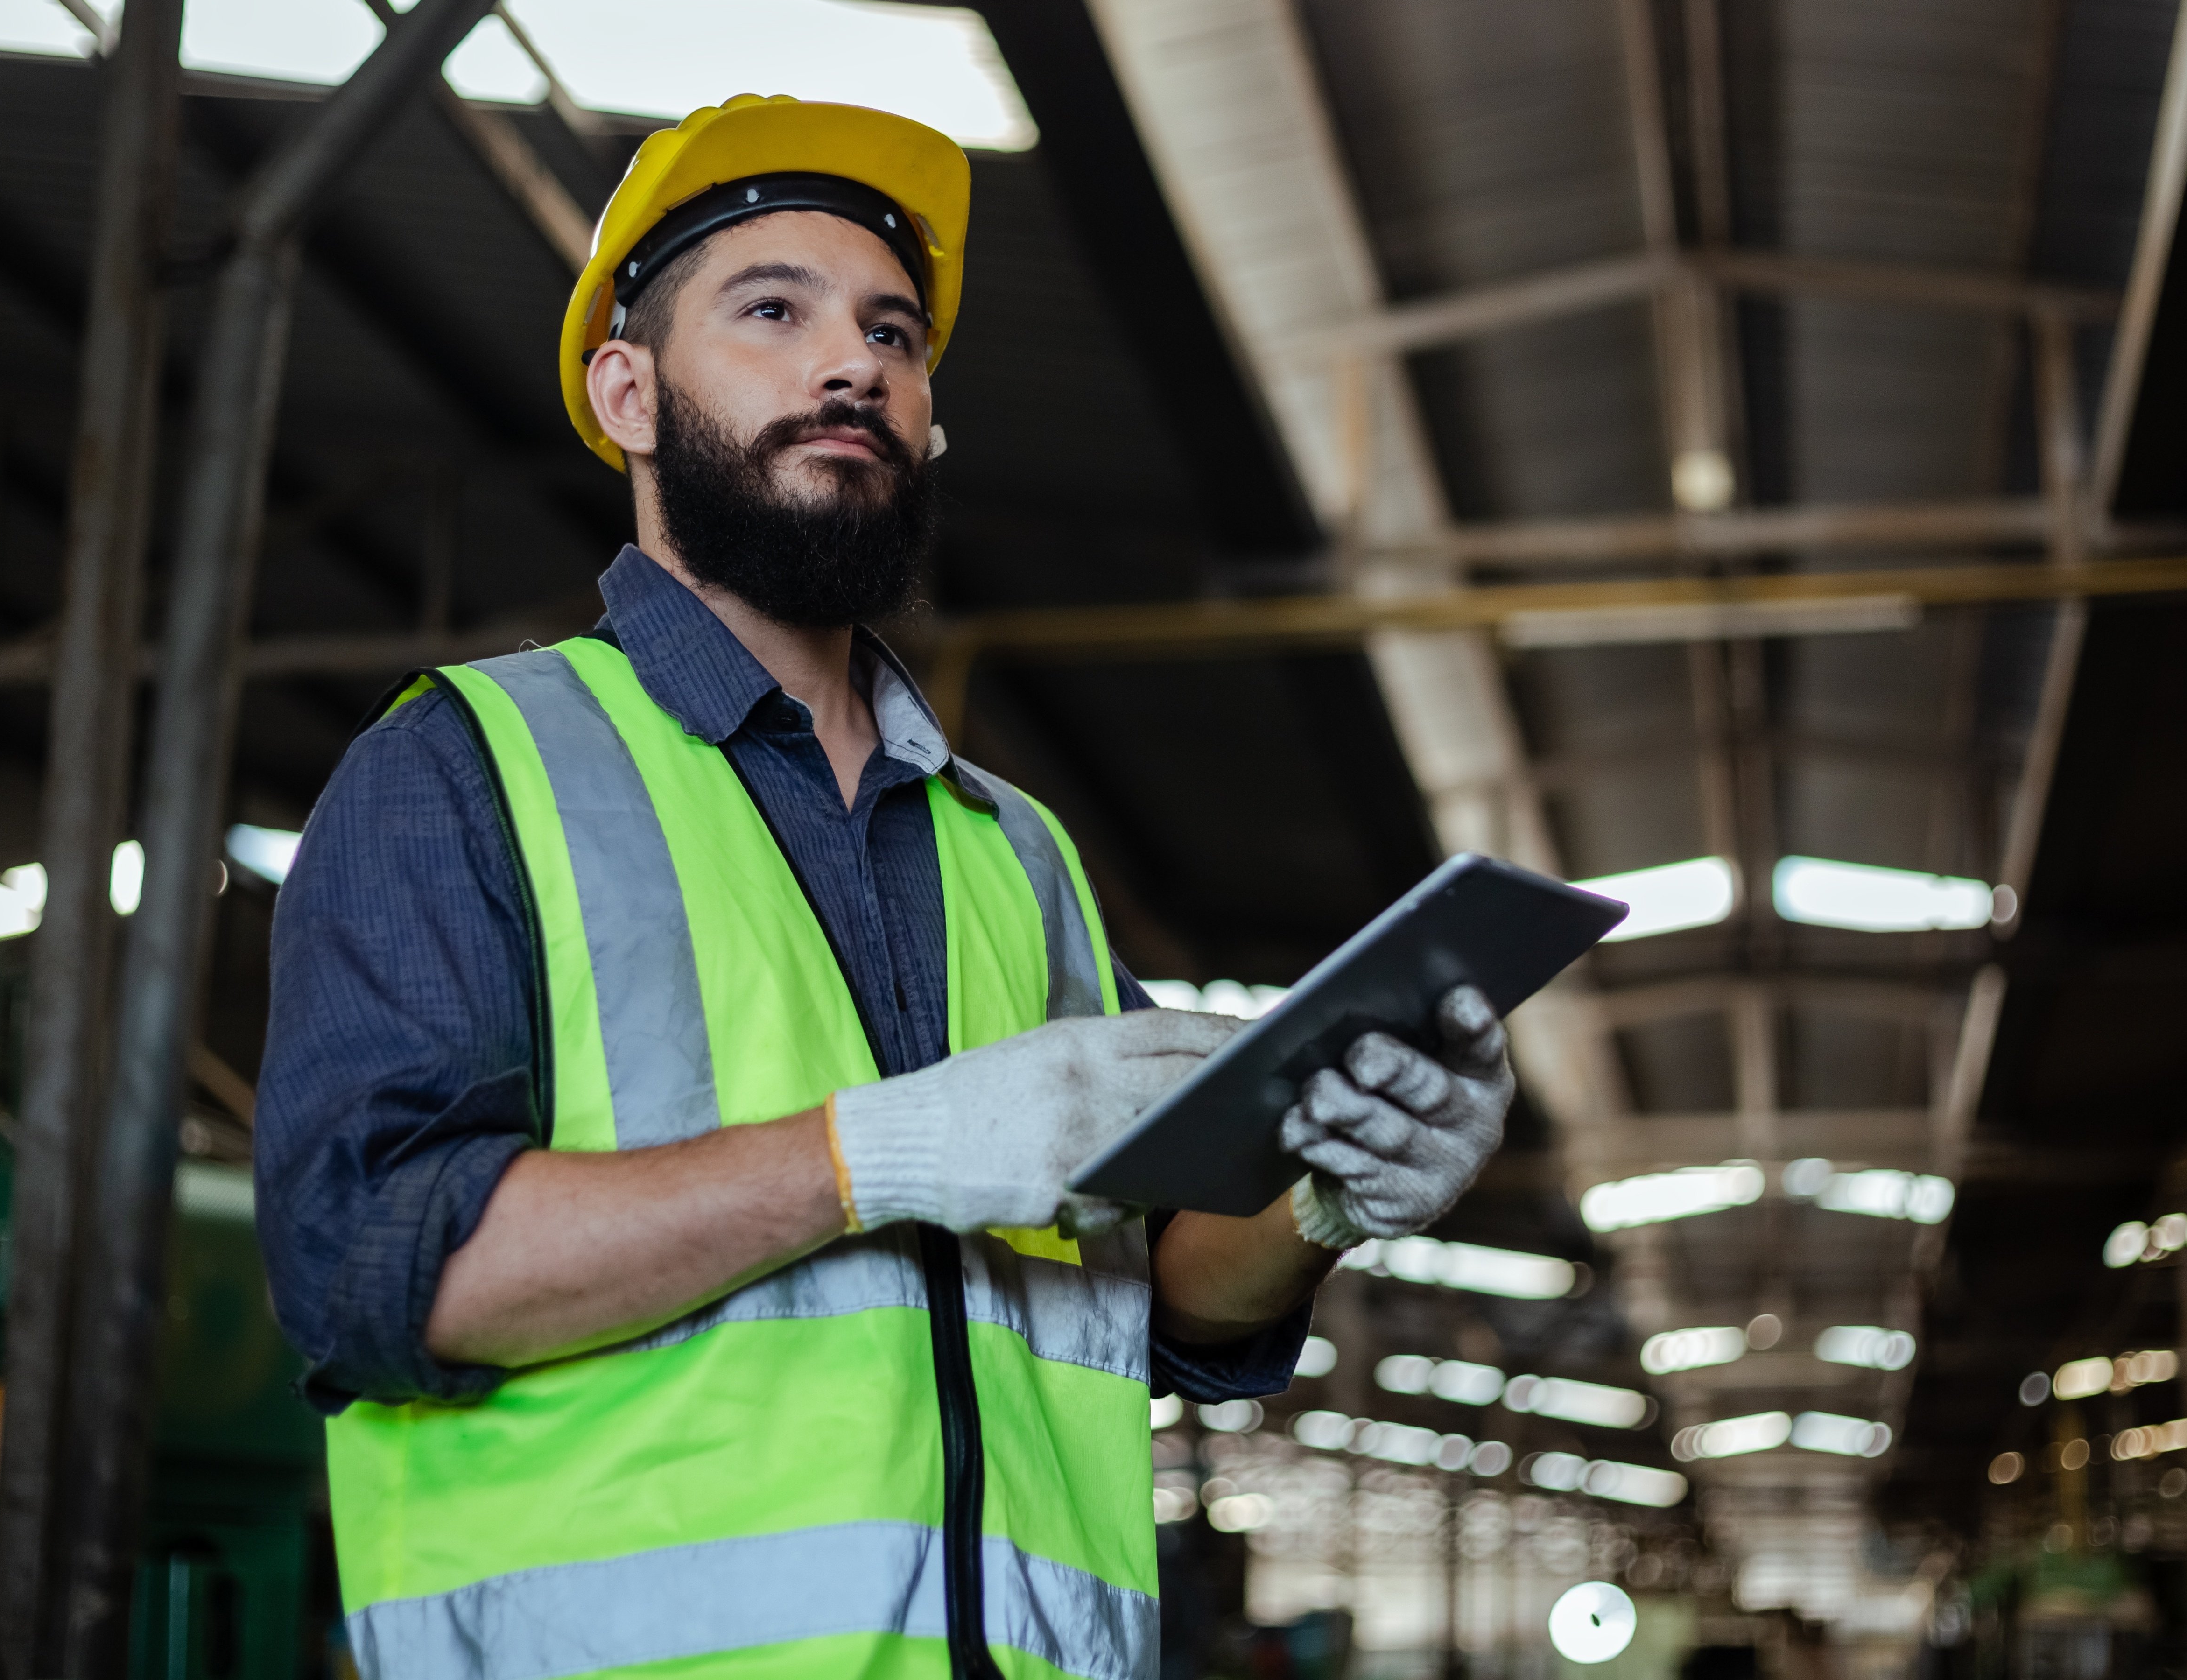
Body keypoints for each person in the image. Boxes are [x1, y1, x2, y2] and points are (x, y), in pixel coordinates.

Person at [254, 94, 1519, 1680]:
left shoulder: (1021, 854)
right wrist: (870, 1155)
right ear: (628, 393)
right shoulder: (469, 768)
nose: (850, 362)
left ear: (926, 428)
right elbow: (376, 1266)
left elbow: (1166, 1298)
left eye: (893, 335)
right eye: (771, 311)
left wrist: (1322, 1194)